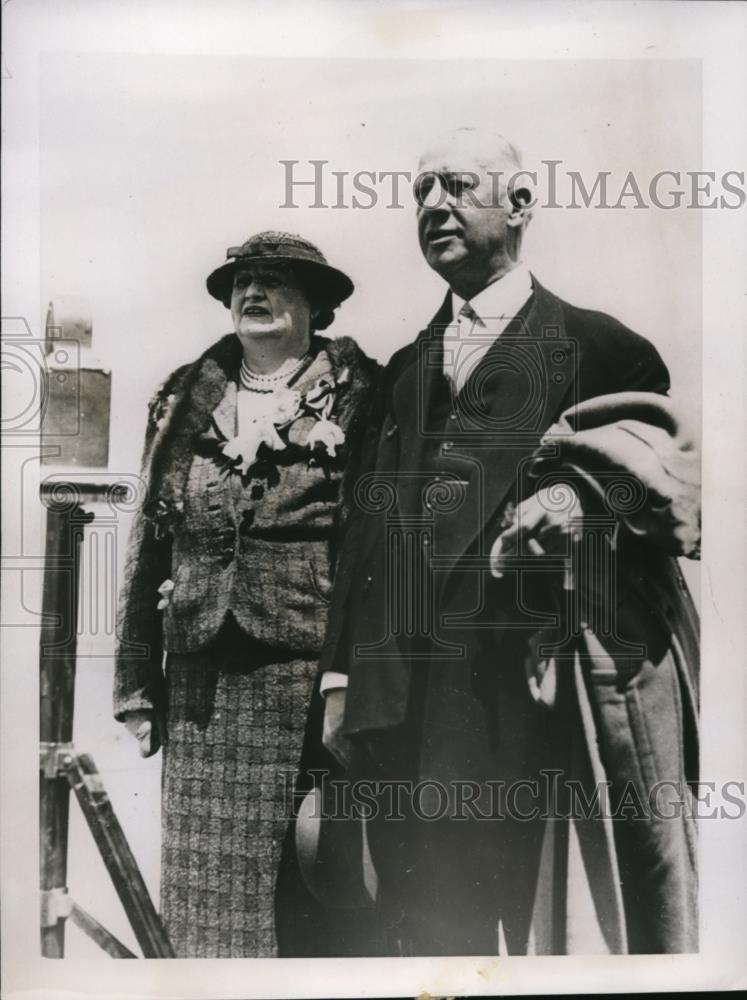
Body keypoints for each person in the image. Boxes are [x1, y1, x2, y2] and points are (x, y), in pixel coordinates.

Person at [320, 129, 700, 956]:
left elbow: (658, 489)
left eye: (454, 185)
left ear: (521, 204)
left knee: (541, 945)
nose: (431, 207)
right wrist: (340, 679)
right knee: (416, 944)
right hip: (397, 713)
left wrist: (579, 500)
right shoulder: (402, 370)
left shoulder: (604, 349)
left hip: (522, 712)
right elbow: (363, 537)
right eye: (418, 192)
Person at [114, 230, 378, 957]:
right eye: (241, 283)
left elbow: (371, 550)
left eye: (274, 281)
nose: (251, 293)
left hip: (301, 680)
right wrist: (137, 686)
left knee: (298, 890)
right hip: (199, 685)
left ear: (316, 307)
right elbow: (151, 540)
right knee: (201, 902)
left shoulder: (363, 396)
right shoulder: (183, 397)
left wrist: (353, 680)